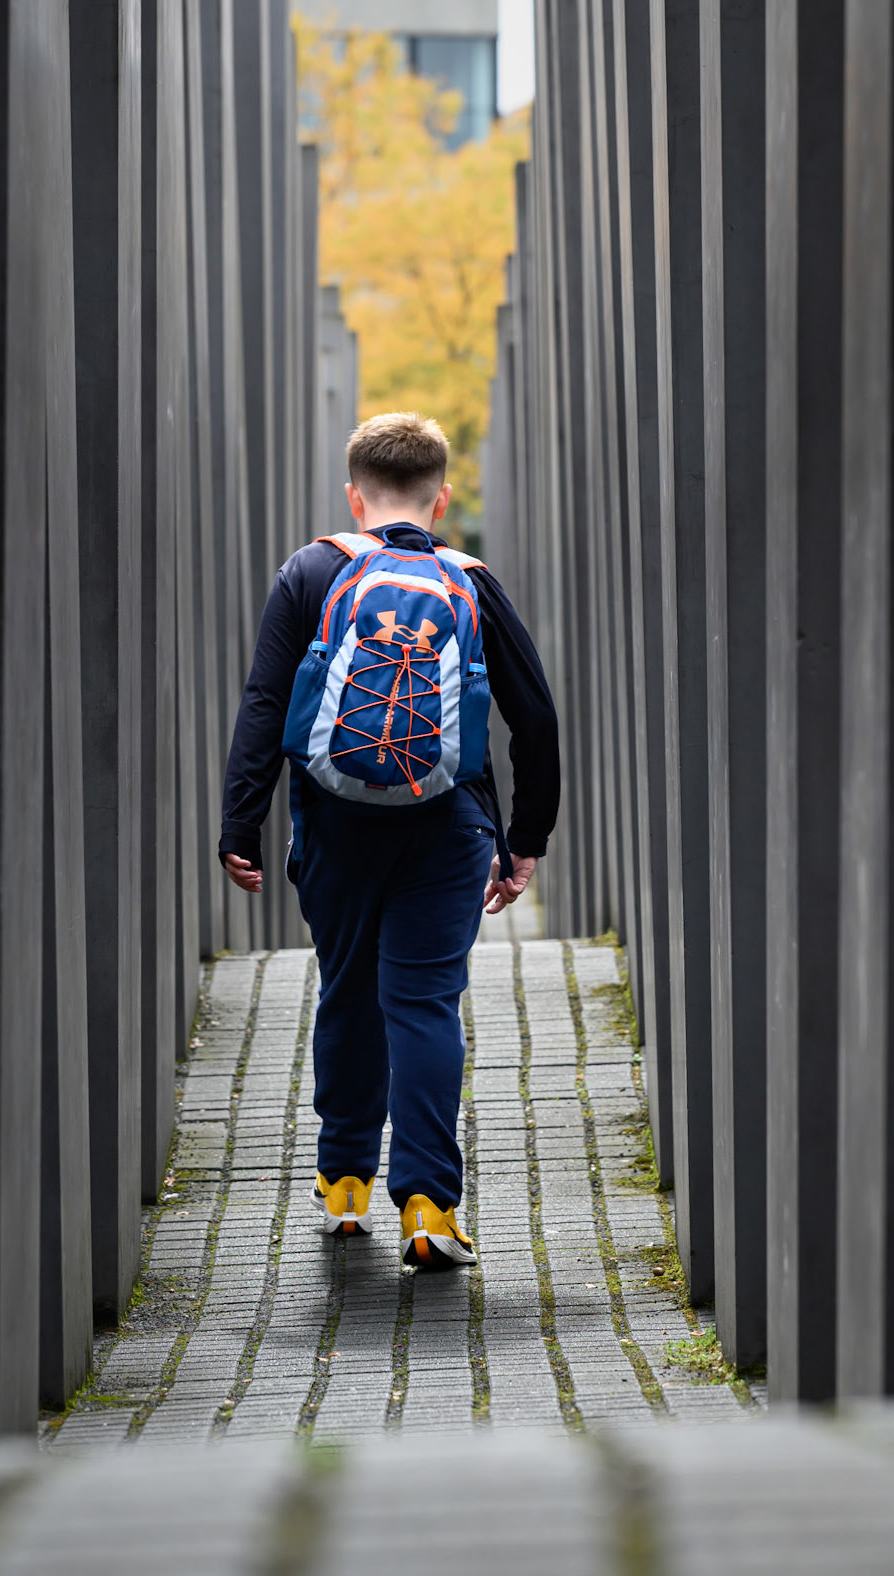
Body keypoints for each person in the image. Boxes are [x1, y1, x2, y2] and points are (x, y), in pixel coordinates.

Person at [219, 412, 560, 1269]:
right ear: (441, 497)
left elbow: (266, 702)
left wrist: (240, 820)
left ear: (352, 493)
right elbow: (536, 719)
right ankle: (427, 1206)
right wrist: (526, 840)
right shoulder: (469, 580)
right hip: (446, 826)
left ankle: (343, 1187)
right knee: (422, 1002)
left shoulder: (311, 570)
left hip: (333, 823)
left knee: (346, 991)